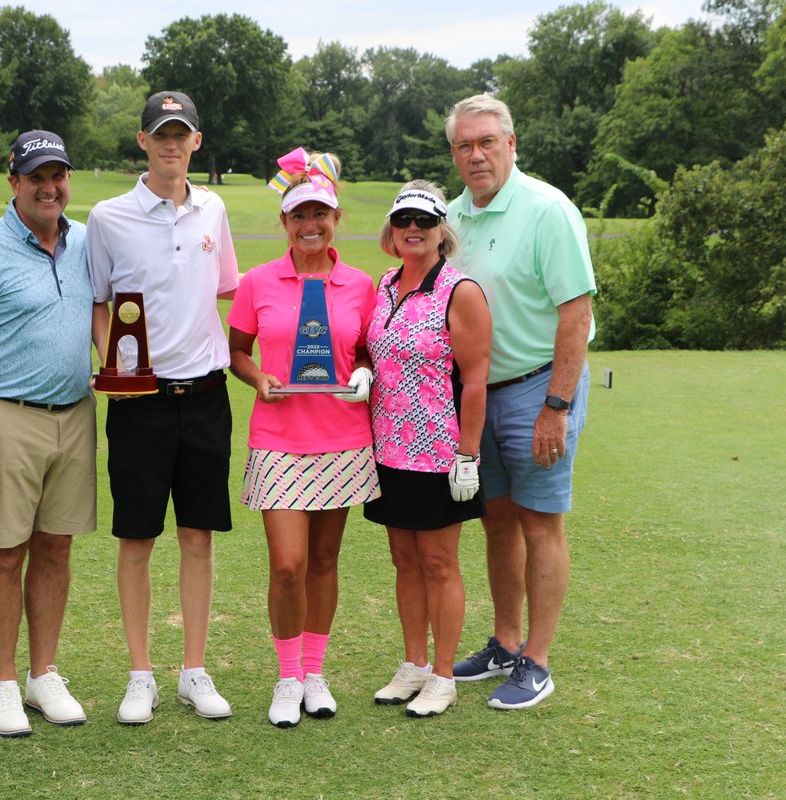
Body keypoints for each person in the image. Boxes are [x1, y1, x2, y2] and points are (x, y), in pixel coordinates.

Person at [87, 91, 239, 725]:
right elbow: (99, 303)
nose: (172, 144)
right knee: (136, 537)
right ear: (143, 141)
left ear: (195, 143)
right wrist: (119, 366)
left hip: (205, 395)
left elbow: (224, 290)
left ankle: (194, 671)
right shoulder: (107, 217)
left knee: (198, 535)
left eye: (182, 134)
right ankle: (141, 673)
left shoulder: (215, 209)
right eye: (161, 134)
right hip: (140, 403)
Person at [444, 94, 596, 710]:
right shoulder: (453, 215)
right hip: (479, 393)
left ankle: (536, 659)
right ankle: (505, 643)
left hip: (539, 386)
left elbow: (575, 312)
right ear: (454, 153)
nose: (476, 155)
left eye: (487, 142)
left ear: (511, 144)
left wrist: (556, 405)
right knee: (497, 519)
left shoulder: (547, 209)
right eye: (464, 145)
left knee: (540, 521)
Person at [0, 131, 96, 736]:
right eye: (36, 176)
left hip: (76, 412)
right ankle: (2, 681)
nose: (49, 187)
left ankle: (43, 674)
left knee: (56, 546)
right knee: (7, 552)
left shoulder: (85, 240)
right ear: (14, 182)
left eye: (58, 175)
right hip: (6, 415)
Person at [227, 149, 379, 728]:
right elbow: (238, 350)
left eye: (320, 214)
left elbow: (366, 346)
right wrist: (256, 376)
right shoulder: (258, 282)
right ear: (284, 222)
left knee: (323, 558)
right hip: (279, 437)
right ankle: (287, 677)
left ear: (335, 219)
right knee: (288, 564)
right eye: (298, 216)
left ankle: (314, 670)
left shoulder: (360, 285)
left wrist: (364, 369)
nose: (310, 225)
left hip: (342, 437)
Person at [363, 182, 492, 718]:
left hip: (439, 453)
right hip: (388, 449)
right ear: (391, 233)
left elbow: (478, 378)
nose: (412, 229)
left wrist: (467, 454)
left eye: (424, 221)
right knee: (403, 560)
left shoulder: (459, 290)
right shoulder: (384, 285)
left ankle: (443, 674)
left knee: (439, 563)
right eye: (403, 222)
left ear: (442, 231)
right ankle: (414, 663)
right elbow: (374, 350)